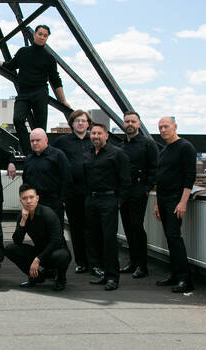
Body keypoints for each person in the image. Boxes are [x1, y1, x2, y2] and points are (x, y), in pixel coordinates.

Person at [0, 25, 70, 155]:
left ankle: (41, 153)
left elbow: (55, 80)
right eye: (40, 34)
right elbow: (9, 66)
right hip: (24, 93)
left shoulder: (49, 58)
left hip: (40, 93)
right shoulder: (23, 52)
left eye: (45, 35)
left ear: (47, 38)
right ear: (35, 35)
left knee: (40, 128)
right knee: (18, 119)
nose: (42, 37)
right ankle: (28, 152)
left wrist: (63, 100)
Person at [84, 123, 130, 291]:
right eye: (93, 133)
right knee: (95, 239)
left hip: (109, 200)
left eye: (99, 133)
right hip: (92, 200)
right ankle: (103, 273)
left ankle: (113, 277)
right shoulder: (88, 155)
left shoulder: (117, 154)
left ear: (106, 135)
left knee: (109, 240)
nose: (95, 136)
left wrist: (118, 202)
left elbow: (126, 180)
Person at [154, 117, 196, 293]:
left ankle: (184, 279)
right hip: (163, 198)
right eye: (160, 127)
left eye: (166, 126)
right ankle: (174, 274)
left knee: (174, 236)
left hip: (175, 198)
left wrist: (183, 202)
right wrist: (156, 203)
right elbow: (160, 177)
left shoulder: (185, 147)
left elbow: (190, 176)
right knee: (169, 237)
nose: (163, 130)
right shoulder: (164, 150)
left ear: (175, 127)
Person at [5, 183, 71, 291]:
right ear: (20, 200)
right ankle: (36, 277)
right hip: (39, 250)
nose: (29, 201)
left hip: (55, 251)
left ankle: (61, 278)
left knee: (62, 256)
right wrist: (22, 222)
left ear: (37, 198)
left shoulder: (48, 214)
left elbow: (56, 241)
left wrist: (38, 259)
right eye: (25, 198)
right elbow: (17, 241)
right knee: (10, 249)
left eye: (31, 197)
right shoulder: (22, 216)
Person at [51, 110, 93, 274]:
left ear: (88, 123)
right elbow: (52, 159)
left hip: (91, 192)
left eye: (83, 121)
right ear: (72, 124)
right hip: (72, 192)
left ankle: (95, 262)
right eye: (77, 121)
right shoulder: (63, 141)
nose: (80, 123)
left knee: (93, 228)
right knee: (76, 228)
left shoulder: (94, 139)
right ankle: (81, 262)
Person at [117, 111, 158, 279]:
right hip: (124, 191)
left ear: (139, 124)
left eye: (133, 121)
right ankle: (133, 262)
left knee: (137, 227)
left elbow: (155, 168)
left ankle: (142, 265)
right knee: (127, 226)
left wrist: (146, 188)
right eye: (127, 122)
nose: (129, 124)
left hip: (138, 189)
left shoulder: (148, 144)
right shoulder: (121, 146)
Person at [22, 128, 71, 224]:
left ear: (46, 140)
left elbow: (67, 178)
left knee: (55, 234)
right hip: (34, 203)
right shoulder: (28, 159)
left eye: (38, 140)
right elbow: (25, 181)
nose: (35, 143)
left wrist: (62, 200)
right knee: (39, 234)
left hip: (53, 202)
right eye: (32, 141)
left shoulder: (58, 155)